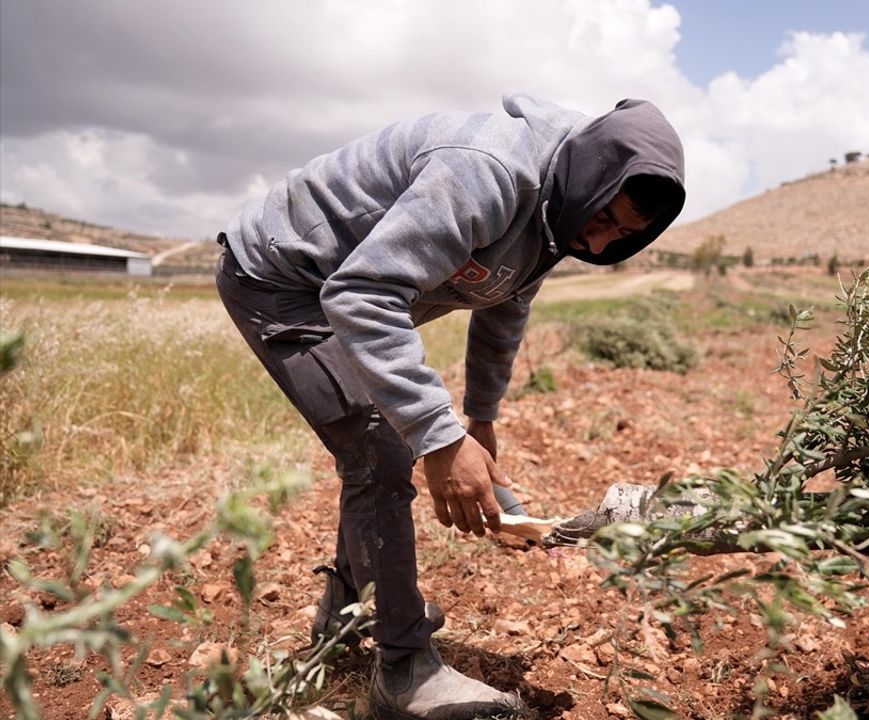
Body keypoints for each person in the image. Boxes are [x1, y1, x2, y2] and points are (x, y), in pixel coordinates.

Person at [214, 94, 685, 719]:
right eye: (603, 218)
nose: (596, 241)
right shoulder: (488, 172)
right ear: (592, 173)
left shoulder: (559, 205)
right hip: (283, 281)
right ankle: (404, 672)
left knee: (380, 443)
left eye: (621, 237)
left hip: (343, 287)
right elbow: (360, 293)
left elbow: (504, 304)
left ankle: (347, 615)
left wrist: (480, 420)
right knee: (379, 449)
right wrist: (439, 438)